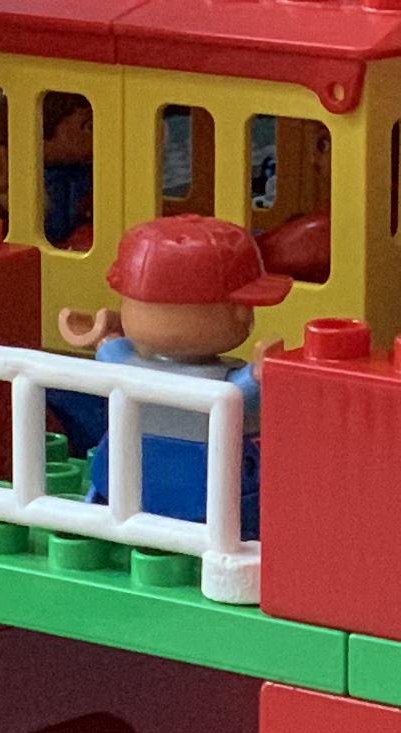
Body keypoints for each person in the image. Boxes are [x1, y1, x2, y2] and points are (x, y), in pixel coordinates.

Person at [51, 212, 283, 525]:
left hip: (132, 469)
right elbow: (243, 394)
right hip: (199, 476)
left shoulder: (126, 364)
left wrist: (101, 335)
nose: (246, 314)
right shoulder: (223, 382)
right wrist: (260, 374)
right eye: (242, 307)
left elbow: (108, 349)